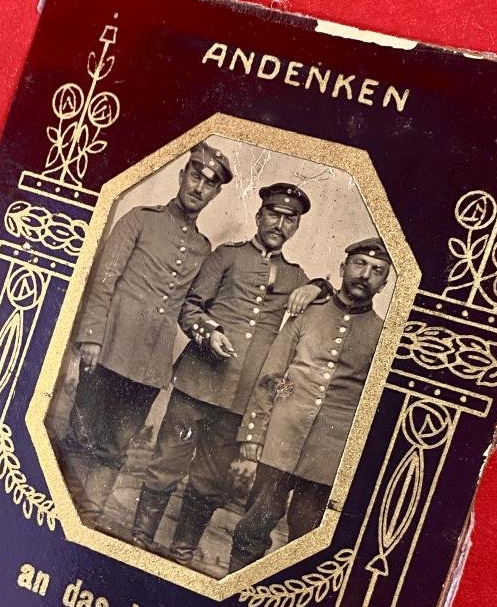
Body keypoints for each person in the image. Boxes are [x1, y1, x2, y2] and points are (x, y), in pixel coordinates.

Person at [130, 183, 331, 559]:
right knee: (166, 462)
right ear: (259, 216)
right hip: (197, 382)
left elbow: (336, 300)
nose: (280, 223)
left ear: (296, 228)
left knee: (210, 480)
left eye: (290, 219)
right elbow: (190, 306)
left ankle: (183, 549)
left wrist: (319, 285)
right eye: (273, 214)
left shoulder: (295, 277)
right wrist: (211, 333)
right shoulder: (226, 257)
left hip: (241, 398)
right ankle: (139, 537)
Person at [60, 142, 233, 524]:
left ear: (215, 193)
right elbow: (104, 280)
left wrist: (210, 332)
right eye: (195, 176)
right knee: (81, 435)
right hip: (109, 348)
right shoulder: (140, 219)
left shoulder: (202, 248)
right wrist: (91, 335)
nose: (199, 187)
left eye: (209, 184)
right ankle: (60, 510)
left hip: (150, 365)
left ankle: (88, 517)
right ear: (182, 175)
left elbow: (189, 310)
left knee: (117, 446)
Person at [227, 237, 391, 572]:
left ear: (385, 284)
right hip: (282, 438)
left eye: (377, 271)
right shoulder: (307, 315)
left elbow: (370, 401)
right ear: (343, 268)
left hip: (330, 450)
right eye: (359, 264)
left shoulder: (381, 335)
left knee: (306, 537)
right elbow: (274, 374)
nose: (365, 275)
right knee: (255, 523)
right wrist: (266, 423)